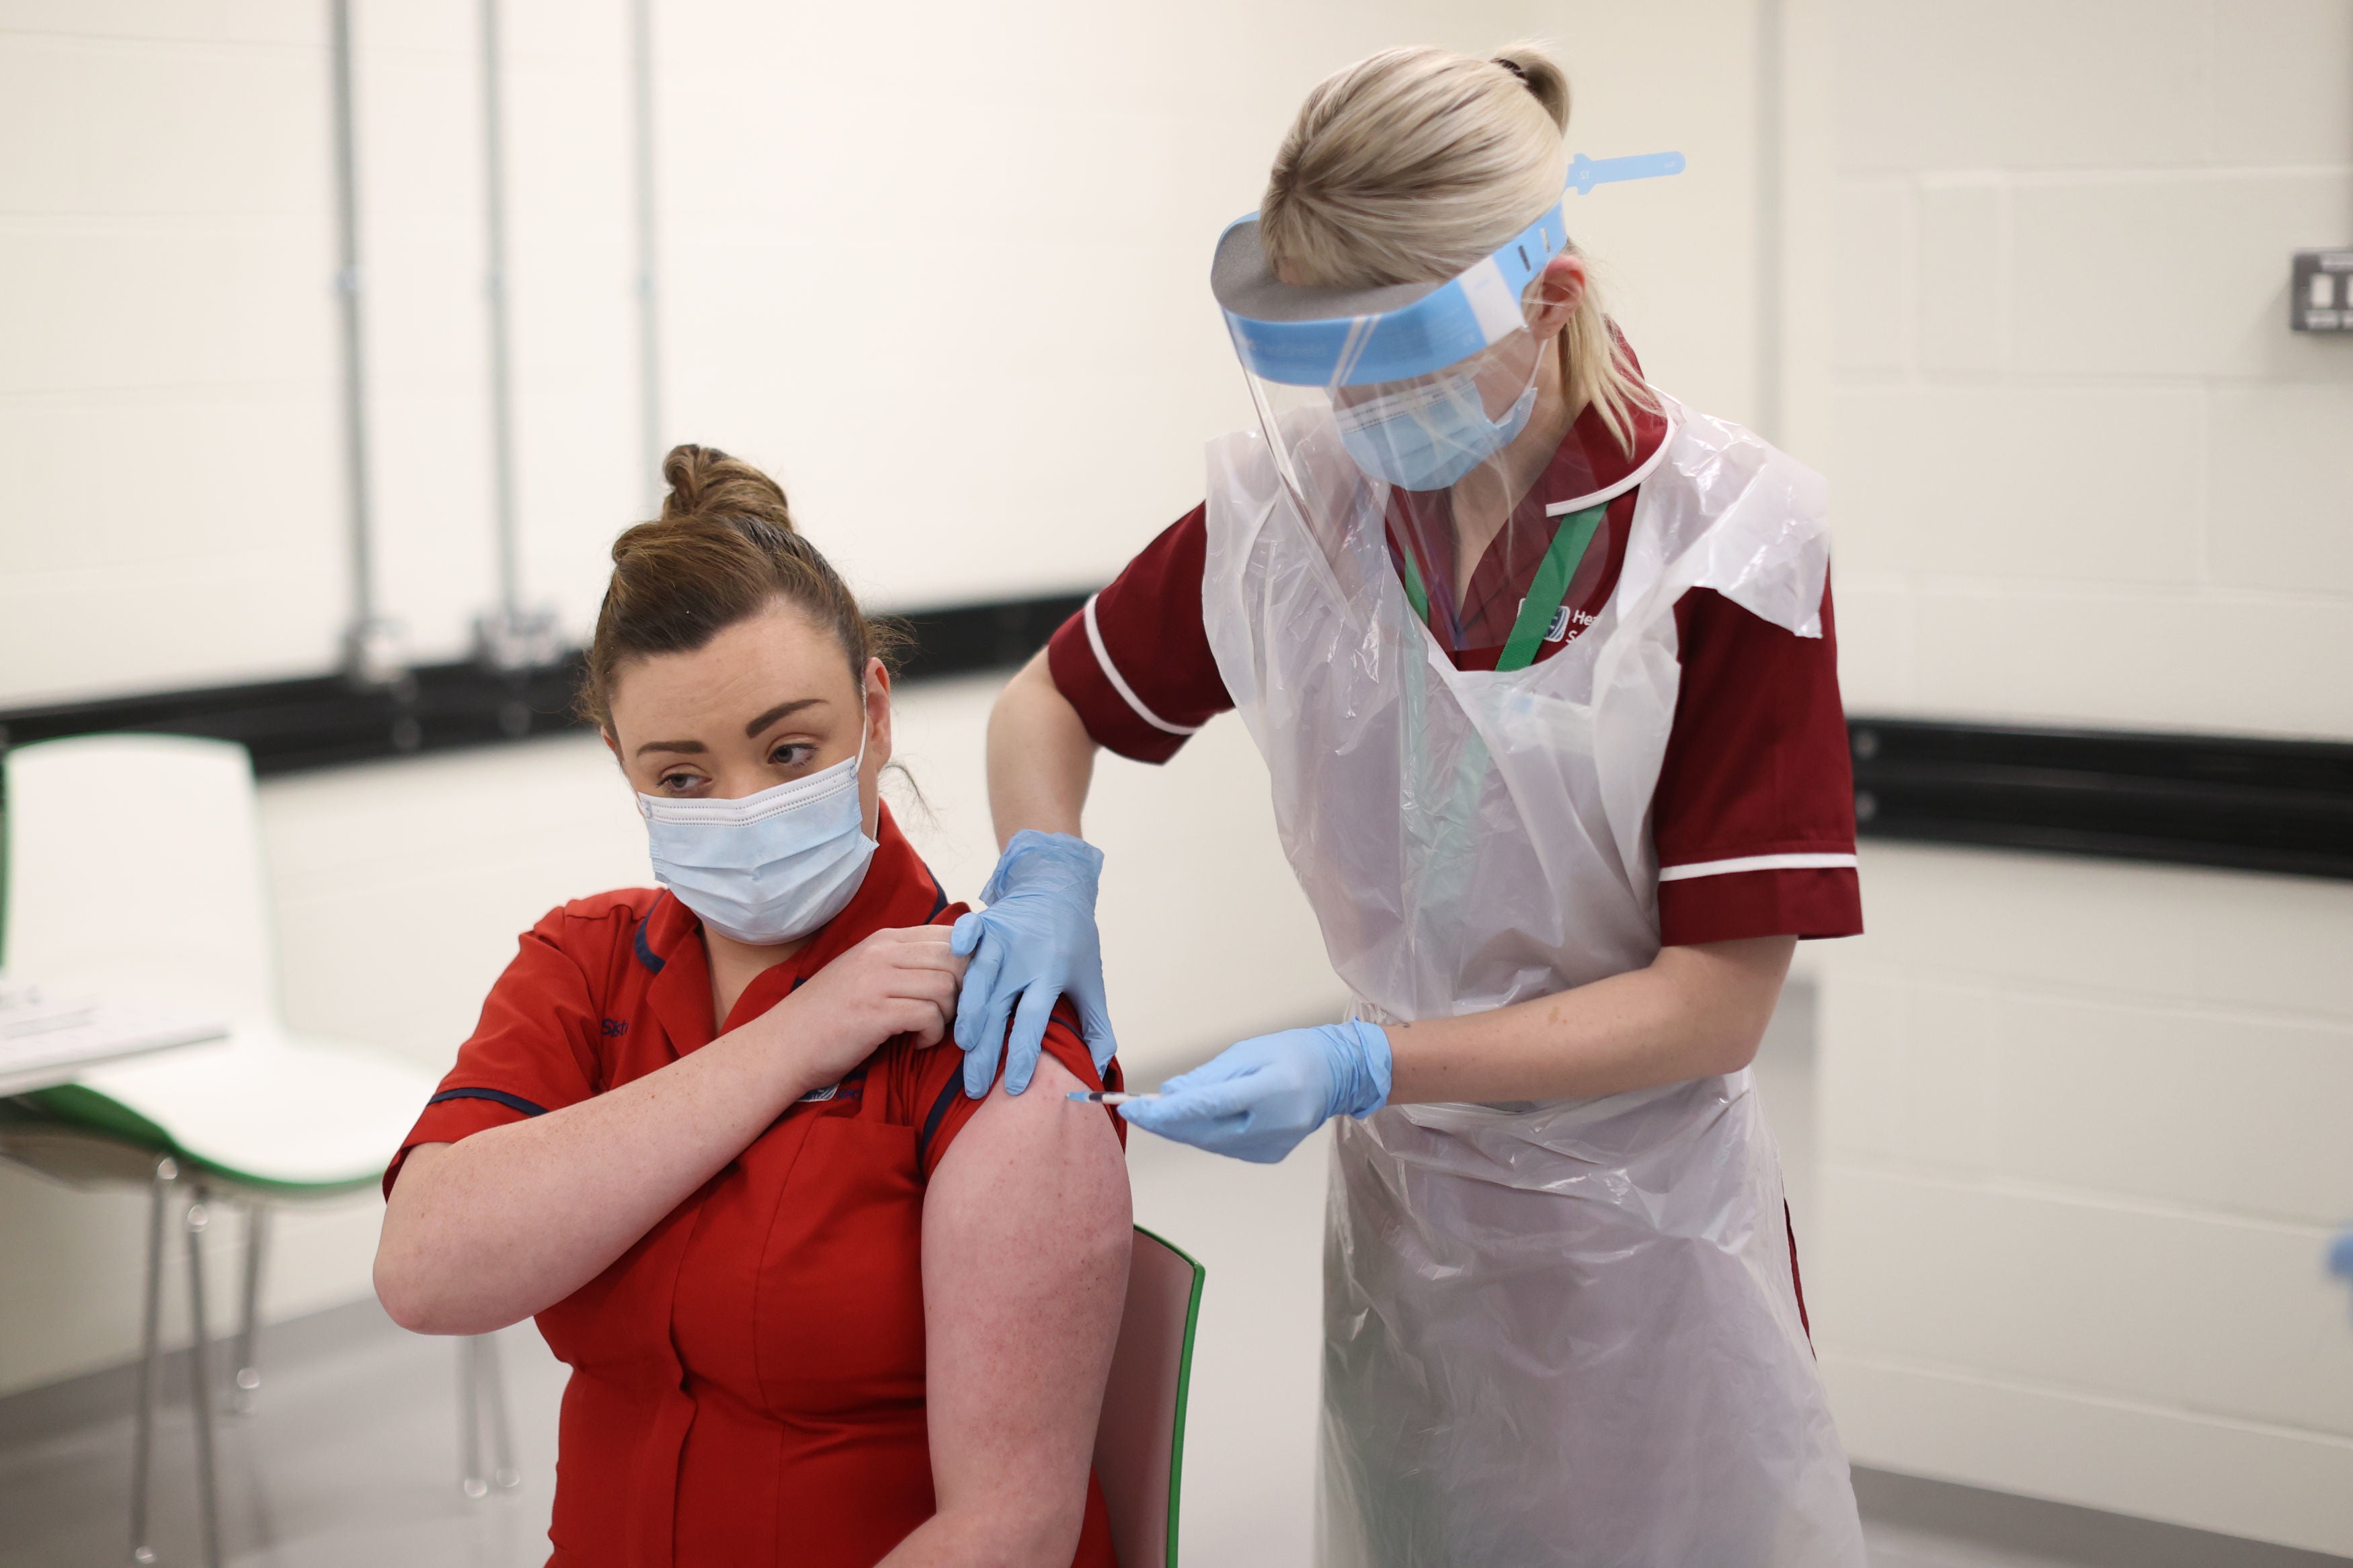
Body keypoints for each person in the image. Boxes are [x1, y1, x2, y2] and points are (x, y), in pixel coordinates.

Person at [954, 43, 1868, 1567]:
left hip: (1645, 1237)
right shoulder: (1297, 513)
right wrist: (1045, 874)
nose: (1358, 411)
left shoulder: (1729, 548)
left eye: (1399, 363)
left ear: (1551, 298)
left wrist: (1369, 1058)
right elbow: (1046, 704)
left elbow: (1713, 1006)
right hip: (1412, 1225)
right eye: (1326, 361)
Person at [373, 446, 1131, 1568]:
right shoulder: (589, 965)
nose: (745, 806)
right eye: (681, 776)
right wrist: (790, 1040)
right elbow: (426, 1268)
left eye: (789, 750)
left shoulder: (991, 1036)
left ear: (875, 714)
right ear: (618, 760)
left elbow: (1008, 1531)